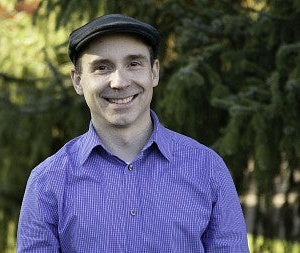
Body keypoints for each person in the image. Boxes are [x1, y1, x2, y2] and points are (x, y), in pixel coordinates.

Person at [17, 14, 249, 252]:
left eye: (134, 64)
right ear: (77, 81)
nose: (119, 82)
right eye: (102, 67)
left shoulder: (207, 169)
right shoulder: (47, 182)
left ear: (154, 73)